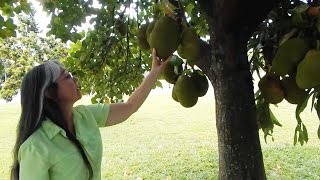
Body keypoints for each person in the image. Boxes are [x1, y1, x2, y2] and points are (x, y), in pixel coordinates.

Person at [10, 48, 170, 180]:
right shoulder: (35, 147)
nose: (76, 79)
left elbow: (130, 106)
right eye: (67, 77)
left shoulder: (85, 115)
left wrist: (154, 72)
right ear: (50, 93)